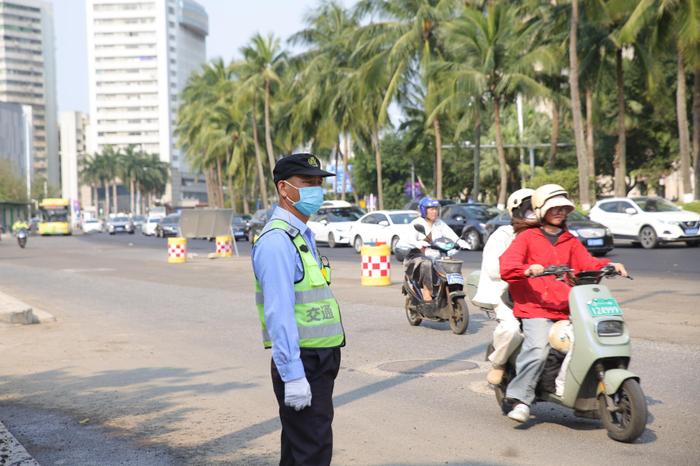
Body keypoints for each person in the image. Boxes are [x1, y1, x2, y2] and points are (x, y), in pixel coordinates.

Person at [499, 184, 628, 423]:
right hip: (535, 308)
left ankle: (582, 396)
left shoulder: (569, 240)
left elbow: (586, 262)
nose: (560, 211)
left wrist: (609, 265)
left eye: (563, 208)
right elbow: (507, 266)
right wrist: (528, 269)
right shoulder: (527, 237)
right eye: (553, 207)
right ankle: (519, 399)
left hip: (567, 307)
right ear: (540, 211)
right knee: (538, 350)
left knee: (591, 343)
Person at [251, 153, 345, 465]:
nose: (316, 189)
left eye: (319, 183)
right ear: (284, 188)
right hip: (303, 361)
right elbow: (279, 313)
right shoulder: (277, 241)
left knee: (298, 450)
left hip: (319, 358)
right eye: (307, 183)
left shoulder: (300, 235)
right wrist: (292, 375)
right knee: (312, 452)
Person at [473, 188, 537, 385]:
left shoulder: (549, 234)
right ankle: (499, 363)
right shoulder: (503, 235)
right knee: (512, 330)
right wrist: (524, 270)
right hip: (506, 294)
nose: (533, 214)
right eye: (529, 209)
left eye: (536, 209)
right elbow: (494, 269)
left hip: (540, 294)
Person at [399, 197, 469, 300]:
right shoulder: (417, 223)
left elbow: (451, 235)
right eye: (431, 209)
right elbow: (409, 239)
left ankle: (450, 290)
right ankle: (427, 292)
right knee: (427, 264)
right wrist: (418, 243)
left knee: (451, 265)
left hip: (436, 255)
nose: (434, 212)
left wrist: (460, 242)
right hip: (417, 256)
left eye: (436, 209)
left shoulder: (440, 223)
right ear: (424, 210)